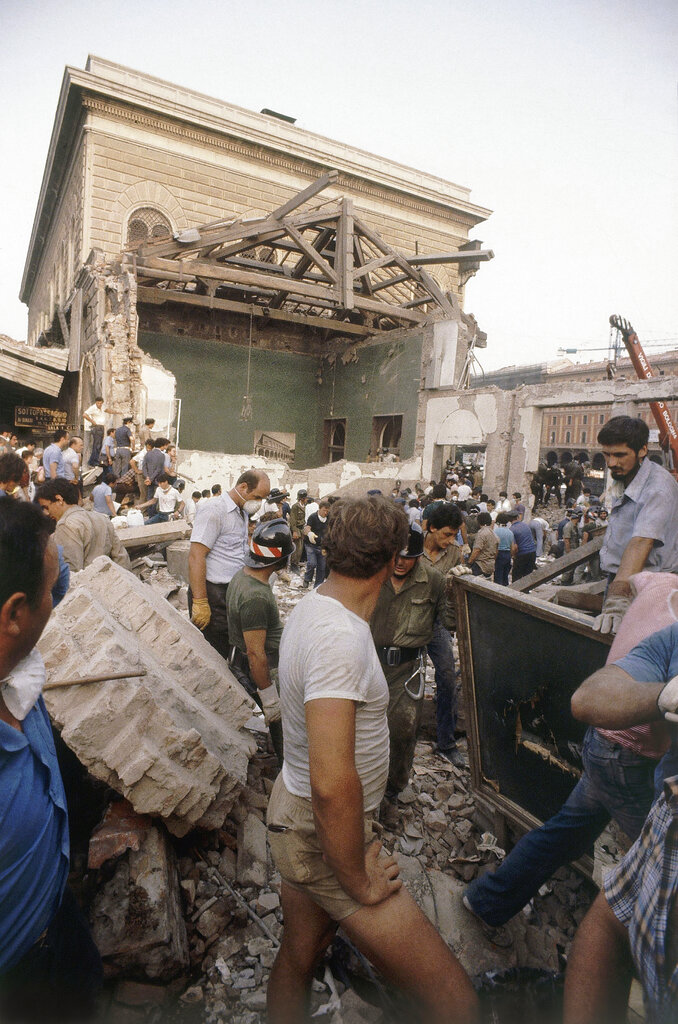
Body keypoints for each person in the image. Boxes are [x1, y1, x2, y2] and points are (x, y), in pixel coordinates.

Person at [266, 497, 478, 1024]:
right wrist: (357, 878)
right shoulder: (340, 640)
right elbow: (332, 782)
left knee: (301, 951)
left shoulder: (315, 605)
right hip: (323, 830)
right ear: (392, 559)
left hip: (298, 814)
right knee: (453, 999)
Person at [462, 583, 677, 932]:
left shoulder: (657, 582)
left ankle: (486, 901)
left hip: (603, 746)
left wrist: (617, 597)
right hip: (629, 758)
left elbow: (625, 579)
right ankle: (634, 944)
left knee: (565, 833)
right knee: (659, 859)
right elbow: (588, 699)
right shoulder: (670, 630)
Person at [0, 501, 103, 1022]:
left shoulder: (17, 669)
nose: (56, 598)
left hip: (58, 915)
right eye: (47, 594)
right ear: (15, 614)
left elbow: (56, 574)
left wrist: (25, 533)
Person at [371, 524, 448, 795]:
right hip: (369, 663)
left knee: (402, 731)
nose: (401, 563)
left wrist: (458, 592)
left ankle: (392, 789)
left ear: (419, 557)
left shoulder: (434, 581)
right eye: (397, 556)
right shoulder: (372, 575)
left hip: (407, 669)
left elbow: (450, 622)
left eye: (409, 557)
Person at [594, 415, 678, 634]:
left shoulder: (658, 488)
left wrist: (617, 601)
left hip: (647, 590)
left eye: (620, 455)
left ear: (642, 450)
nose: (611, 463)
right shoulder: (628, 476)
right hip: (623, 581)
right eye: (607, 454)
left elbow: (641, 542)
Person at [226, 518, 293, 766]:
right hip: (267, 669)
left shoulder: (243, 576)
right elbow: (256, 654)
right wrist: (269, 697)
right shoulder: (255, 596)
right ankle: (288, 771)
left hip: (248, 660)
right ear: (279, 559)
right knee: (287, 732)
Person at [188, 469, 270, 661]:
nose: (258, 503)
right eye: (257, 497)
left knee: (231, 649)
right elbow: (196, 556)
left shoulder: (242, 512)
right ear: (243, 487)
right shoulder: (214, 510)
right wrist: (200, 601)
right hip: (213, 594)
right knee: (215, 654)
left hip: (231, 593)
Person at [421, 502, 466, 766]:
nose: (450, 540)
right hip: (407, 620)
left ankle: (446, 743)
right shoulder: (411, 547)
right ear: (431, 528)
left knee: (447, 678)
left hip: (435, 623)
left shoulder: (454, 553)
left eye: (455, 535)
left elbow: (451, 595)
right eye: (447, 534)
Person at [37, 479, 130, 573]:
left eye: (46, 507)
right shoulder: (101, 518)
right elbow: (122, 559)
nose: (46, 513)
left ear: (59, 499)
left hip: (86, 582)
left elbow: (71, 571)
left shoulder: (65, 525)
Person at [83, 396, 119, 467]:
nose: (99, 404)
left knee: (99, 444)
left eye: (100, 403)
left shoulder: (103, 407)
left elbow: (107, 410)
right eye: (98, 403)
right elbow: (84, 415)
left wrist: (116, 412)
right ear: (96, 402)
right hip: (97, 427)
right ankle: (93, 461)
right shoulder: (93, 408)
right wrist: (92, 421)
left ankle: (94, 460)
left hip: (101, 427)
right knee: (97, 445)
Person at [302, 499, 330, 589]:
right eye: (324, 510)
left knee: (322, 567)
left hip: (322, 545)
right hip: (311, 545)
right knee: (312, 563)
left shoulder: (329, 518)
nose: (325, 513)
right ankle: (307, 578)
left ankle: (317, 586)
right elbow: (307, 528)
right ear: (319, 509)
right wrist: (309, 533)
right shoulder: (313, 517)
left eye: (327, 511)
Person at [467, 512, 498, 578]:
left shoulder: (481, 534)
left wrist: (469, 563)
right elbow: (496, 552)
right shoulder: (494, 534)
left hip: (480, 566)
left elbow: (476, 550)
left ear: (479, 521)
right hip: (490, 566)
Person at [509, 512, 537, 581]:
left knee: (516, 577)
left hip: (522, 554)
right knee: (528, 577)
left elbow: (515, 547)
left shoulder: (511, 529)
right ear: (517, 517)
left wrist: (513, 556)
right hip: (532, 552)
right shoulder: (526, 525)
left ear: (509, 520)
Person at [493, 512, 516, 585]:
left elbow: (494, 546)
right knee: (505, 577)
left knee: (498, 576)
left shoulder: (495, 531)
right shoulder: (510, 532)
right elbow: (512, 548)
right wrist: (511, 556)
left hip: (499, 554)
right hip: (507, 555)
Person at [288, 489, 308, 572]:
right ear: (302, 498)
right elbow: (292, 520)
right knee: (296, 548)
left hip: (301, 528)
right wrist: (294, 531)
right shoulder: (295, 506)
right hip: (296, 529)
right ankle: (293, 564)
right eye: (306, 498)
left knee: (300, 548)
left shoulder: (304, 506)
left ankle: (296, 562)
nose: (307, 499)